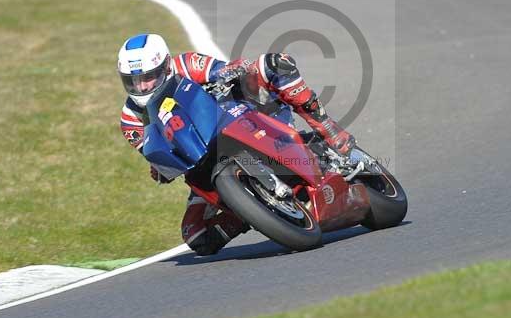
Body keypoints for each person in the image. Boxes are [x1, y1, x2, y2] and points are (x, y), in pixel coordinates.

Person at [117, 33, 355, 256]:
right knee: (196, 236)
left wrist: (233, 70)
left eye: (148, 77)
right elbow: (153, 154)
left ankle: (328, 128)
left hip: (233, 117)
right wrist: (160, 168)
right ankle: (248, 212)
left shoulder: (186, 65)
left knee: (273, 64)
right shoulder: (130, 120)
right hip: (201, 163)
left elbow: (222, 70)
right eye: (133, 81)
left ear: (166, 66)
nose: (142, 87)